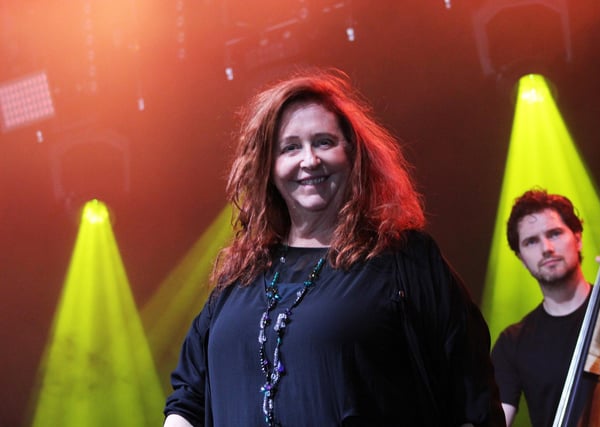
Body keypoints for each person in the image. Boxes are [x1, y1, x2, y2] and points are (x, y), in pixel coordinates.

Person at [163, 69, 505, 427]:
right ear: (267, 166)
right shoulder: (240, 277)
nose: (309, 160)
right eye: (290, 147)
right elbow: (188, 397)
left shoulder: (402, 259)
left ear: (353, 154)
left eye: (324, 142)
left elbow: (472, 393)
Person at [491, 189, 600, 427]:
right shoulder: (512, 343)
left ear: (578, 238)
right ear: (521, 257)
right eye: (531, 241)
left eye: (555, 233)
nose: (546, 247)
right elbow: (498, 420)